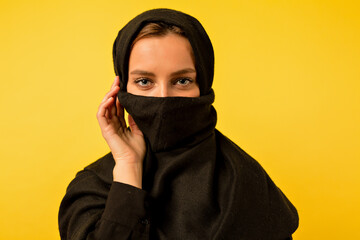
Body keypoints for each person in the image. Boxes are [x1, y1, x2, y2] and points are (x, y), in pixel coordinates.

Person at [58, 8, 299, 240]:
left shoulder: (244, 182)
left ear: (203, 83)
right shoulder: (93, 188)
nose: (163, 97)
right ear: (122, 89)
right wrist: (128, 169)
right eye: (144, 81)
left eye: (182, 80)